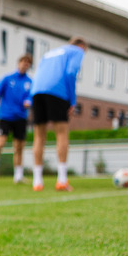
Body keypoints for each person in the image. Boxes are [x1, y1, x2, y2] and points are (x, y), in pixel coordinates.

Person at [30, 36, 87, 192]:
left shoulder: (50, 53)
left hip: (37, 92)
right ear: (82, 45)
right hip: (58, 91)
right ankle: (62, 180)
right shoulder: (77, 51)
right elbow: (70, 73)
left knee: (39, 136)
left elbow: (38, 74)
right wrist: (72, 100)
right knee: (61, 133)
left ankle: (37, 182)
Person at [0, 54, 33, 184]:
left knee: (19, 148)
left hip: (21, 118)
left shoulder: (30, 82)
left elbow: (31, 97)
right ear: (19, 63)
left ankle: (18, 176)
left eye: (28, 63)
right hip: (6, 117)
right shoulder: (7, 78)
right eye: (23, 62)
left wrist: (28, 101)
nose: (25, 65)